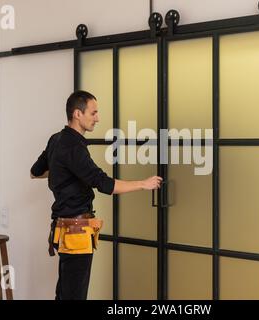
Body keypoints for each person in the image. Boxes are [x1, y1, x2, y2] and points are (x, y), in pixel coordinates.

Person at [30, 90, 162, 300]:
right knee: (74, 296)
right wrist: (143, 184)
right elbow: (104, 184)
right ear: (77, 114)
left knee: (64, 293)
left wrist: (60, 172)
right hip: (75, 231)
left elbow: (35, 172)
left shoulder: (56, 140)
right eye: (93, 113)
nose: (97, 118)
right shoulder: (74, 147)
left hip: (62, 228)